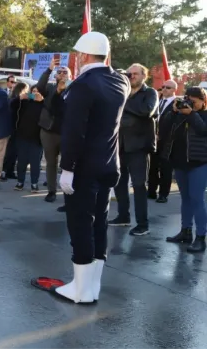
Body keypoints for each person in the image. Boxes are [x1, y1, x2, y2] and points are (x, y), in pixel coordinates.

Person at [33, 31, 129, 305]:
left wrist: (68, 168)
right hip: (109, 164)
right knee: (99, 224)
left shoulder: (84, 85)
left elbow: (75, 131)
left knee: (80, 224)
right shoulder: (118, 80)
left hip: (85, 167)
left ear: (83, 56)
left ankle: (81, 291)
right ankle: (92, 286)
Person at [110, 63, 158, 236]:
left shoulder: (150, 93)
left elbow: (147, 111)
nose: (131, 76)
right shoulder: (123, 91)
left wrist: (124, 103)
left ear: (143, 76)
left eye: (135, 74)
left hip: (139, 146)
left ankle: (142, 224)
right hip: (120, 145)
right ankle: (123, 216)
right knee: (119, 182)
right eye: (129, 74)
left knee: (139, 185)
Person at [161, 87, 207, 253]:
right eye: (188, 100)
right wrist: (173, 112)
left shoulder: (202, 115)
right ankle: (185, 231)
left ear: (203, 101)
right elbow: (164, 127)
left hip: (199, 163)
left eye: (194, 101)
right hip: (180, 162)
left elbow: (203, 130)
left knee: (197, 198)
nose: (190, 104)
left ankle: (201, 237)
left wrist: (191, 114)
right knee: (185, 199)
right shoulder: (179, 115)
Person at [37, 61, 71, 204]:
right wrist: (49, 69)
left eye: (65, 72)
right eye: (60, 72)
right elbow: (40, 88)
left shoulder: (74, 90)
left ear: (70, 76)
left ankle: (68, 193)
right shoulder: (50, 88)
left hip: (67, 133)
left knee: (67, 164)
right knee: (51, 163)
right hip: (49, 132)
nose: (62, 74)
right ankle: (51, 191)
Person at [148, 79, 178, 204]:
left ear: (174, 90)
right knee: (152, 167)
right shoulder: (157, 101)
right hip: (154, 139)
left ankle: (163, 194)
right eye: (163, 87)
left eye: (168, 87)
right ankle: (151, 191)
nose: (165, 89)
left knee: (166, 168)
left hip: (168, 141)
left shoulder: (177, 104)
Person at [12, 83, 45, 192]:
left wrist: (43, 101)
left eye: (37, 92)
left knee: (35, 163)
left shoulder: (44, 105)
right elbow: (12, 106)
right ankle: (20, 182)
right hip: (22, 136)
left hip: (37, 139)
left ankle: (34, 183)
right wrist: (19, 98)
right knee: (21, 161)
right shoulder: (26, 103)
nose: (35, 94)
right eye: (33, 91)